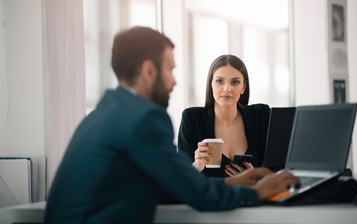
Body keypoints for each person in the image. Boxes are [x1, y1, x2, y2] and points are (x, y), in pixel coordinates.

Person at [44, 27, 298, 224]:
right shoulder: (143, 119)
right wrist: (257, 192)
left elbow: (171, 186)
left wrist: (237, 182)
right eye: (170, 70)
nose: (175, 82)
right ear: (148, 70)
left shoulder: (107, 112)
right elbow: (198, 196)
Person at [178, 54, 270, 177]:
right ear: (211, 84)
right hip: (210, 196)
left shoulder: (260, 115)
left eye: (235, 82)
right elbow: (181, 180)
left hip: (251, 195)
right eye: (220, 81)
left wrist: (257, 177)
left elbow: (279, 170)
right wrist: (196, 166)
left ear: (243, 87)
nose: (227, 89)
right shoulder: (192, 119)